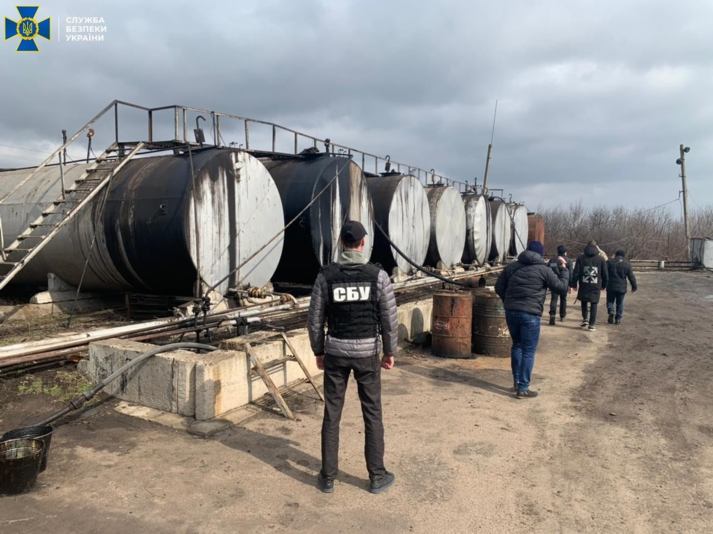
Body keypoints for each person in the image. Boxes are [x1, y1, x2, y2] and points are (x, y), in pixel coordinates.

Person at [307, 220, 398, 495]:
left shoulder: (326, 276)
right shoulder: (378, 276)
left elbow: (314, 320)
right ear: (363, 243)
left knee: (332, 414)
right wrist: (390, 352)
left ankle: (328, 477)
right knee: (372, 414)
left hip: (335, 353)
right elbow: (389, 319)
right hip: (367, 355)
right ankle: (377, 476)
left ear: (341, 244)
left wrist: (318, 351)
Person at [495, 240, 570, 398]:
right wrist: (564, 269)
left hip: (511, 312)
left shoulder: (511, 267)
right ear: (540, 254)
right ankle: (523, 388)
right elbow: (561, 288)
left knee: (517, 345)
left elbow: (498, 287)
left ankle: (517, 382)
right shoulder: (544, 270)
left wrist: (509, 301)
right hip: (530, 314)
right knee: (528, 351)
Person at [571, 241, 609, 331]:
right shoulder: (601, 259)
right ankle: (592, 324)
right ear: (596, 246)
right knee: (594, 303)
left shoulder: (581, 258)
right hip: (596, 284)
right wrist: (604, 285)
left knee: (584, 301)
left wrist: (574, 284)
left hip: (584, 283)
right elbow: (605, 274)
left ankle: (585, 319)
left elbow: (576, 272)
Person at [606, 250, 637, 325]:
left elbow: (604, 273)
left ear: (616, 255)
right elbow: (631, 277)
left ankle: (611, 311)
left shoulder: (609, 262)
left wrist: (603, 284)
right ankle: (618, 319)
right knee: (619, 303)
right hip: (621, 287)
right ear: (623, 256)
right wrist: (634, 287)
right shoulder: (627, 264)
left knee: (610, 301)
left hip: (611, 286)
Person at [548, 245, 574, 325]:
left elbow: (548, 269)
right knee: (563, 299)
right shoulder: (568, 261)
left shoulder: (553, 260)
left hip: (554, 281)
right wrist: (570, 285)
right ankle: (562, 316)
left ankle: (552, 314)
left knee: (554, 299)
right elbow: (571, 273)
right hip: (564, 282)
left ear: (557, 251)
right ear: (565, 252)